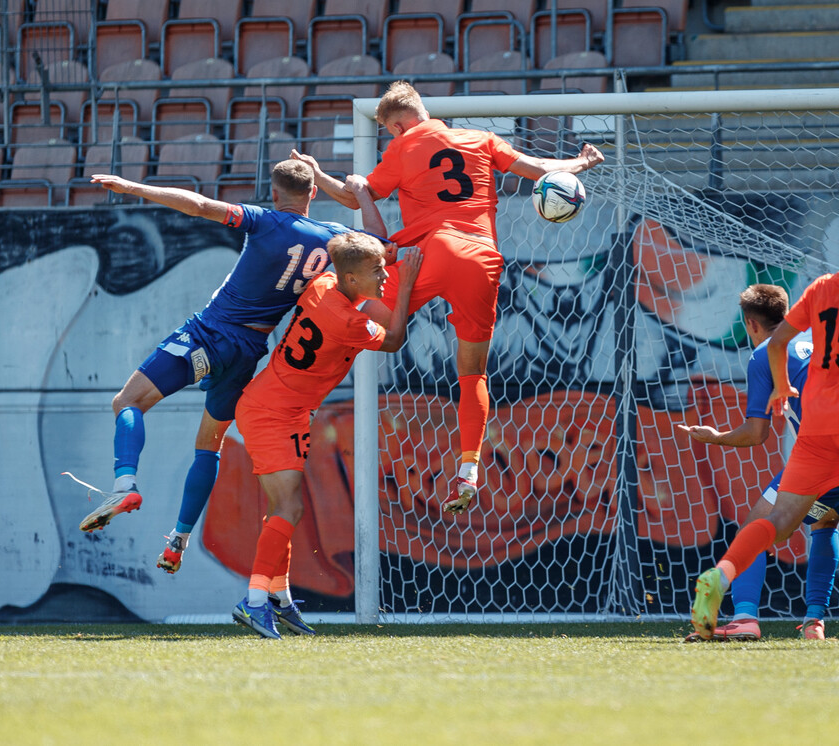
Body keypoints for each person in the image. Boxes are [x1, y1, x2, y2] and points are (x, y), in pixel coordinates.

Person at [293, 80, 604, 516]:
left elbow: (353, 196)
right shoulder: (481, 139)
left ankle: (299, 396)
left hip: (428, 251)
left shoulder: (402, 149)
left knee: (360, 315)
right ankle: (469, 468)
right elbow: (538, 169)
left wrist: (319, 174)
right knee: (473, 371)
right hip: (481, 259)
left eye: (389, 131)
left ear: (399, 125)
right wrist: (581, 162)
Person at [85, 161, 387, 573]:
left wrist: (132, 187)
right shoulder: (335, 239)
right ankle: (178, 541)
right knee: (210, 443)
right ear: (312, 194)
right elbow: (379, 242)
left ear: (274, 192)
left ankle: (125, 485)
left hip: (211, 333)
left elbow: (198, 205)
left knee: (128, 401)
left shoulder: (262, 220)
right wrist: (364, 196)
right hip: (248, 351)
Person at [691, 207, 839, 640]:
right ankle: (808, 619)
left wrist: (780, 390)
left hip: (818, 432)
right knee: (824, 518)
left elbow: (778, 344)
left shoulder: (822, 289)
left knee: (781, 517)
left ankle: (724, 576)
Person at [231, 218, 423, 639]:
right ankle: (255, 602)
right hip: (272, 412)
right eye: (377, 271)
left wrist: (380, 254)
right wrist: (406, 282)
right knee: (290, 509)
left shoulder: (324, 287)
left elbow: (363, 293)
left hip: (285, 409)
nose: (384, 274)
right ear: (351, 277)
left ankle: (278, 600)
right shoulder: (348, 321)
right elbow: (392, 339)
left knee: (283, 510)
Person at [679, 284, 839, 641]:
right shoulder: (821, 341)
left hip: (826, 455)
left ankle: (743, 617)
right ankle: (814, 622)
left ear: (750, 323)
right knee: (824, 522)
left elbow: (756, 434)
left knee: (754, 528)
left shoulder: (765, 354)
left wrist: (715, 437)